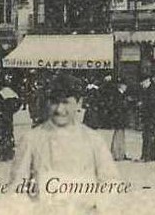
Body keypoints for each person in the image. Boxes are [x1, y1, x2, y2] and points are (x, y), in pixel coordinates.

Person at [9, 73, 118, 207]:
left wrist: (94, 202)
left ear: (79, 103)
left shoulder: (93, 140)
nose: (60, 110)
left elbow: (111, 182)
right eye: (55, 102)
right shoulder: (31, 140)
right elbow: (17, 188)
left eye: (66, 102)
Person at [108, 78, 131, 161]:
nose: (126, 87)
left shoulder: (121, 95)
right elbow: (117, 106)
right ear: (121, 86)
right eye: (125, 85)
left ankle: (120, 153)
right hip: (119, 118)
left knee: (121, 135)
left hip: (121, 118)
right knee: (118, 135)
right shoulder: (118, 95)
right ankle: (116, 154)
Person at [138, 75, 155, 162]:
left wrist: (142, 105)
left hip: (150, 117)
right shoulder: (149, 90)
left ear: (147, 81)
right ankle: (150, 156)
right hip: (149, 116)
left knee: (148, 136)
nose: (142, 85)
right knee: (149, 135)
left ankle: (147, 156)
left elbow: (151, 105)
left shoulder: (151, 91)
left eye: (143, 83)